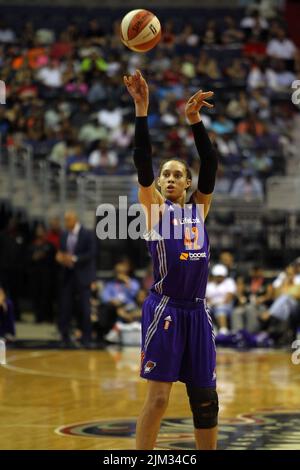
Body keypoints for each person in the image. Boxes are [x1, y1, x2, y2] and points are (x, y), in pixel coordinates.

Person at [124, 70, 218, 450]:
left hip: (197, 312)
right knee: (159, 399)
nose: (170, 178)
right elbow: (141, 161)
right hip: (164, 309)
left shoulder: (199, 209)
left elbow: (209, 162)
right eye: (166, 175)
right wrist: (141, 109)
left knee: (206, 401)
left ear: (188, 183)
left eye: (178, 174)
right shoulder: (155, 212)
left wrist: (194, 121)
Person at [56, 211, 96, 348]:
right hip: (67, 275)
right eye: (65, 220)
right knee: (65, 307)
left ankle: (87, 338)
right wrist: (60, 258)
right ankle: (64, 337)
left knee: (85, 308)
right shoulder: (64, 234)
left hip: (83, 276)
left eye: (68, 220)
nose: (66, 223)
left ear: (75, 220)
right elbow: (61, 251)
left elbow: (92, 253)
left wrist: (74, 258)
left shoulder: (87, 233)